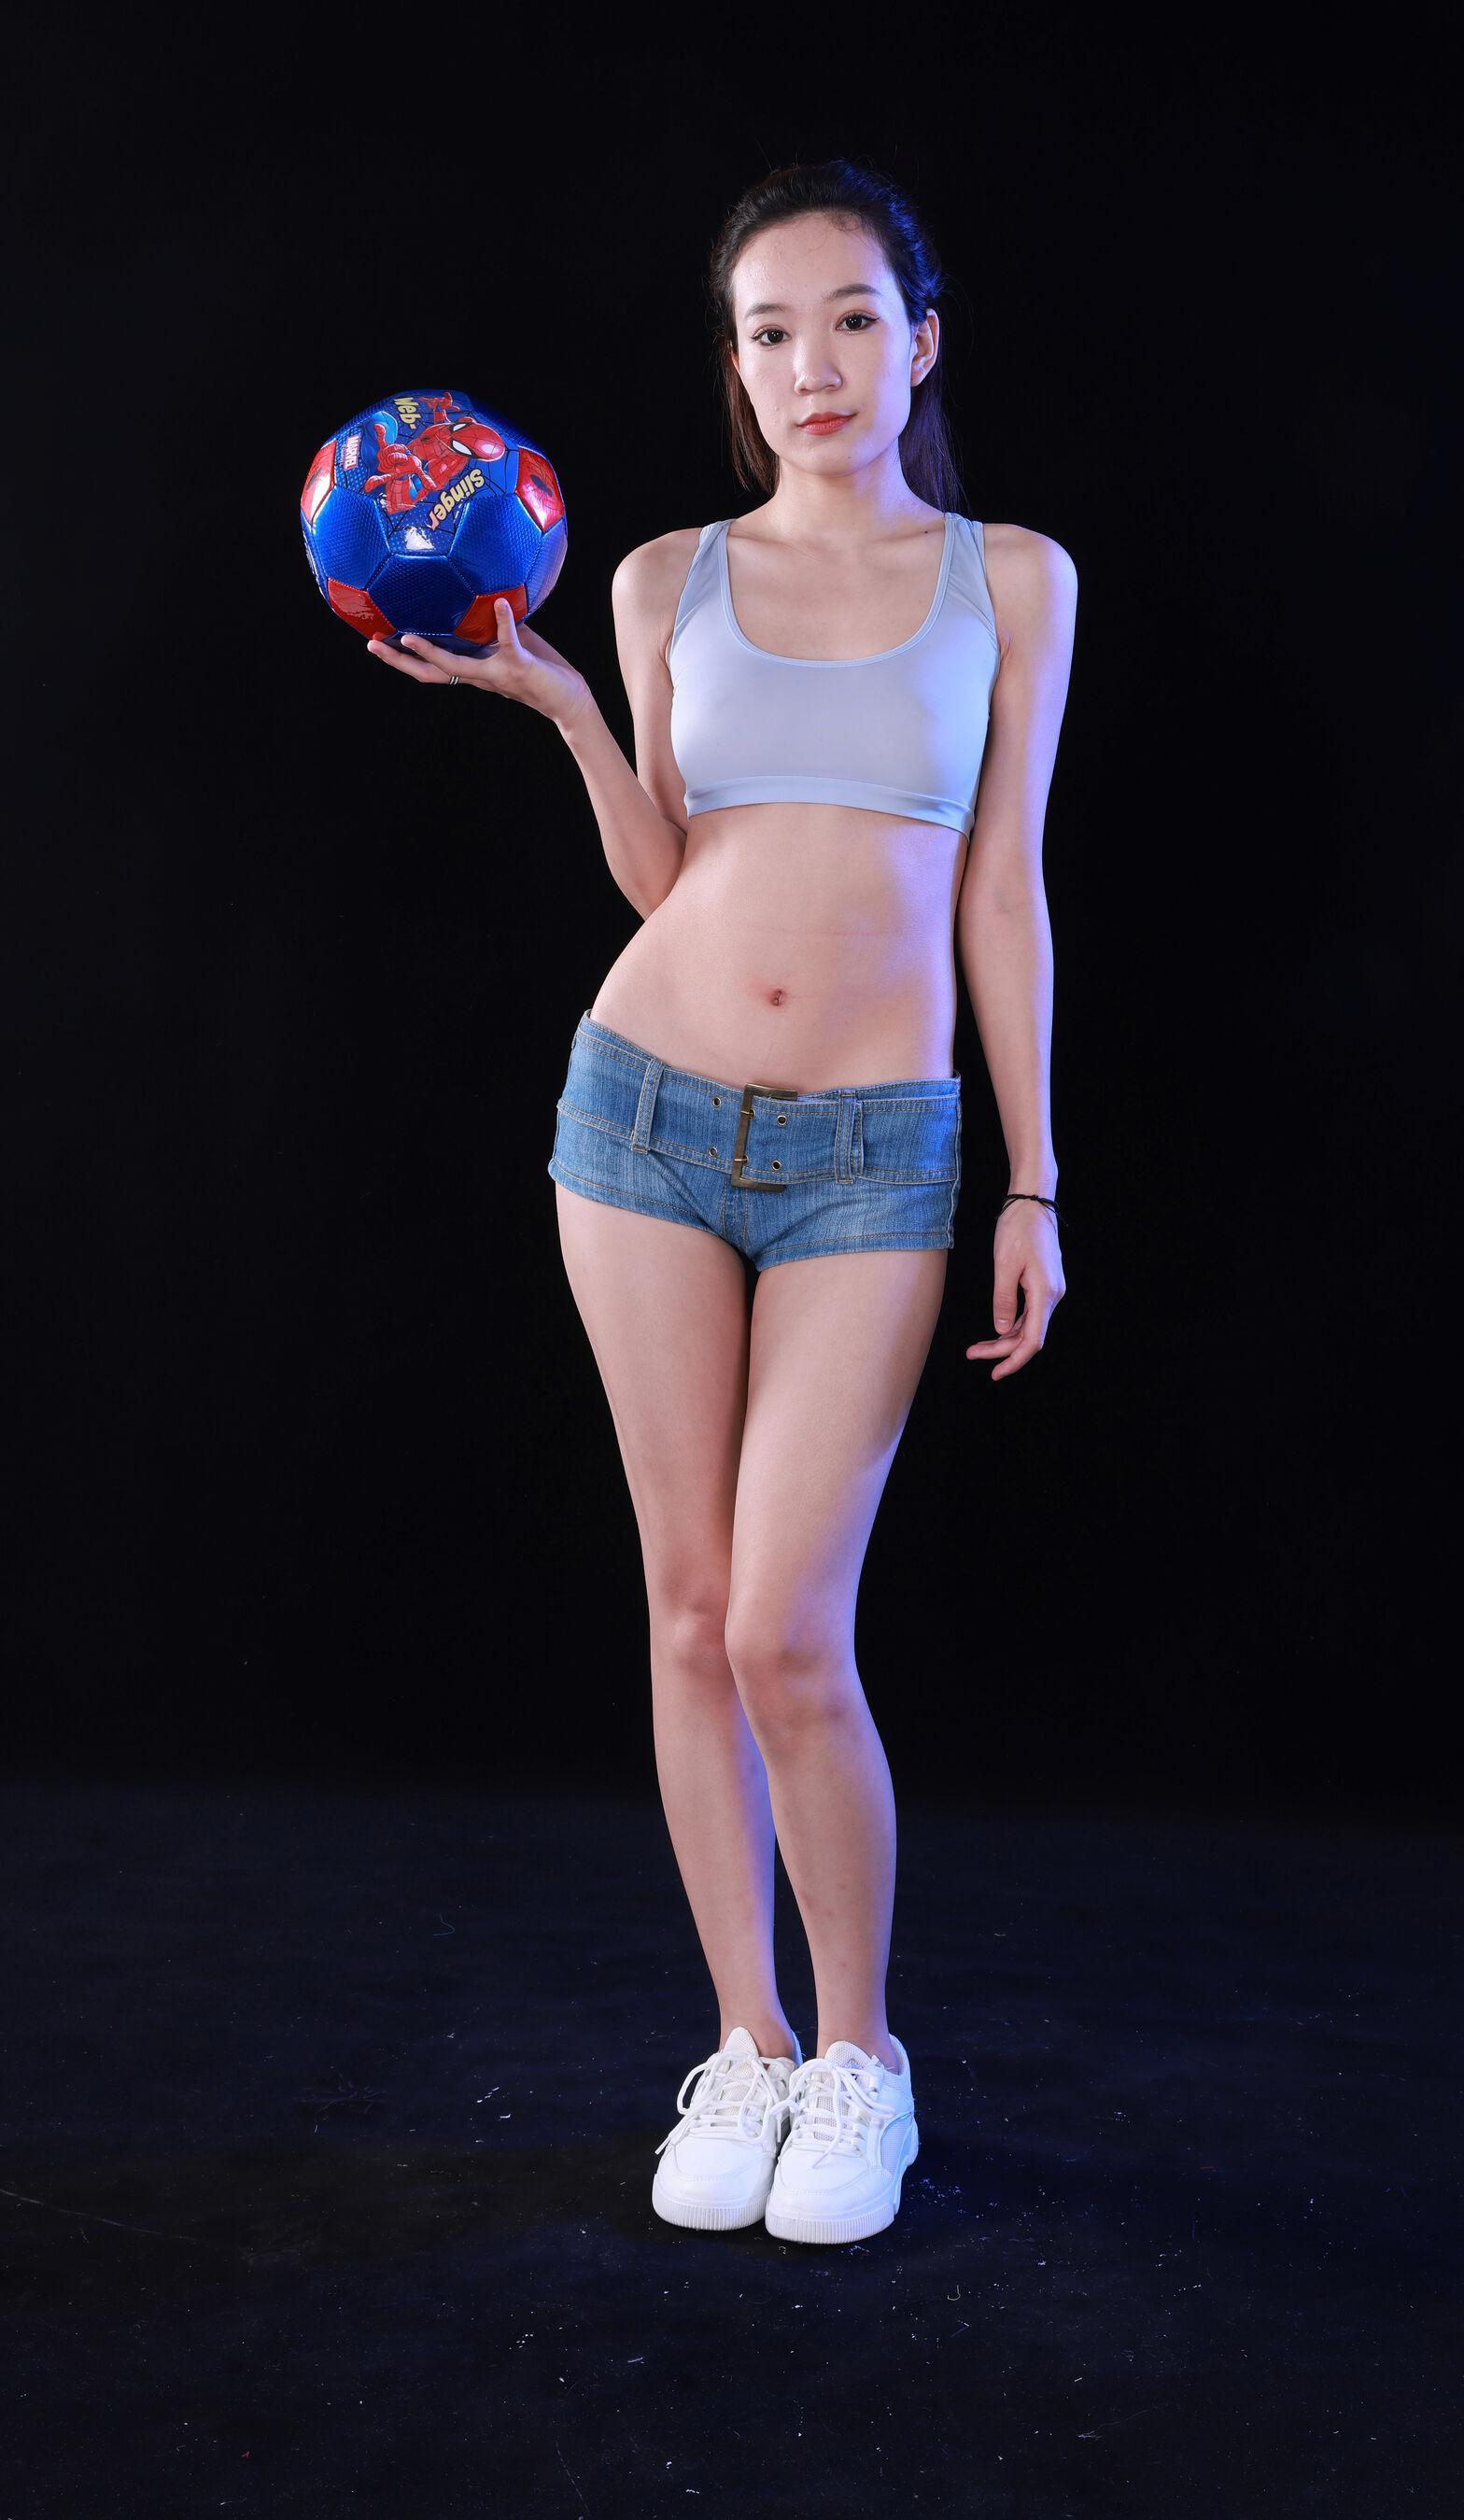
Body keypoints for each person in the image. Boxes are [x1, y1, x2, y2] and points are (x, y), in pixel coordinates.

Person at [369, 158, 1076, 2245]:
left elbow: (1002, 890)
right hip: (645, 1120)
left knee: (787, 1628)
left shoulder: (1010, 579)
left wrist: (1034, 1175)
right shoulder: (664, 576)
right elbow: (668, 877)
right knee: (689, 1611)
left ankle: (862, 2060)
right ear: (739, 366)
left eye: (851, 319)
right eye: (771, 332)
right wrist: (576, 715)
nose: (813, 365)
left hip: (876, 1152)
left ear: (919, 341)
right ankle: (748, 2048)